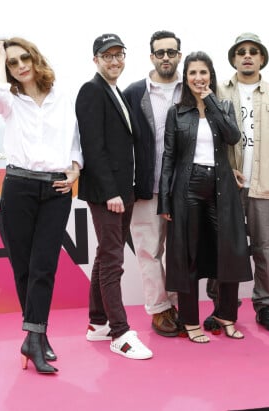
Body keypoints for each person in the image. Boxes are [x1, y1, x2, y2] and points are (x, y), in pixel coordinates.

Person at [0, 37, 83, 374]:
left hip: (55, 189)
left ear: (35, 57)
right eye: (12, 63)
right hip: (18, 188)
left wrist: (75, 168)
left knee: (44, 266)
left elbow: (74, 139)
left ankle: (33, 337)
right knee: (24, 269)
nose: (20, 65)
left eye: (24, 57)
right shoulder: (10, 100)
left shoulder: (61, 97)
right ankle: (37, 336)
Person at [157, 51, 252, 343]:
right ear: (186, 78)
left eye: (204, 72)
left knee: (229, 252)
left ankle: (226, 314)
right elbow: (170, 157)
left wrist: (210, 100)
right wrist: (164, 200)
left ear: (211, 75)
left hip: (221, 187)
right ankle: (189, 320)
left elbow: (233, 137)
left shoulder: (222, 105)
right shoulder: (177, 112)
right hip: (187, 189)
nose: (198, 78)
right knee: (187, 256)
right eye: (193, 73)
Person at [209, 32, 269, 333]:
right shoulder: (217, 91)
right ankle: (223, 304)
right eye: (241, 51)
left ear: (262, 58)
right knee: (223, 247)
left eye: (254, 51)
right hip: (226, 187)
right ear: (234, 58)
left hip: (266, 185)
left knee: (264, 248)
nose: (247, 56)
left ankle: (267, 306)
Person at [76, 33, 152, 359]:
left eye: (119, 55)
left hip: (124, 191)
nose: (114, 61)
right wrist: (110, 192)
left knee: (106, 255)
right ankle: (120, 334)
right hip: (108, 194)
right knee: (112, 262)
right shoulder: (91, 91)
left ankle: (97, 324)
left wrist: (128, 190)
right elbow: (93, 148)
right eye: (107, 56)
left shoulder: (116, 91)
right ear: (96, 60)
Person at [123, 31, 183, 337]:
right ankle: (159, 310)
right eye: (160, 53)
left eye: (171, 52)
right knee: (148, 251)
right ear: (151, 57)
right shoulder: (134, 92)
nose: (166, 58)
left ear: (179, 56)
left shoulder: (192, 89)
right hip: (146, 186)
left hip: (183, 188)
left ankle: (178, 305)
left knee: (179, 251)